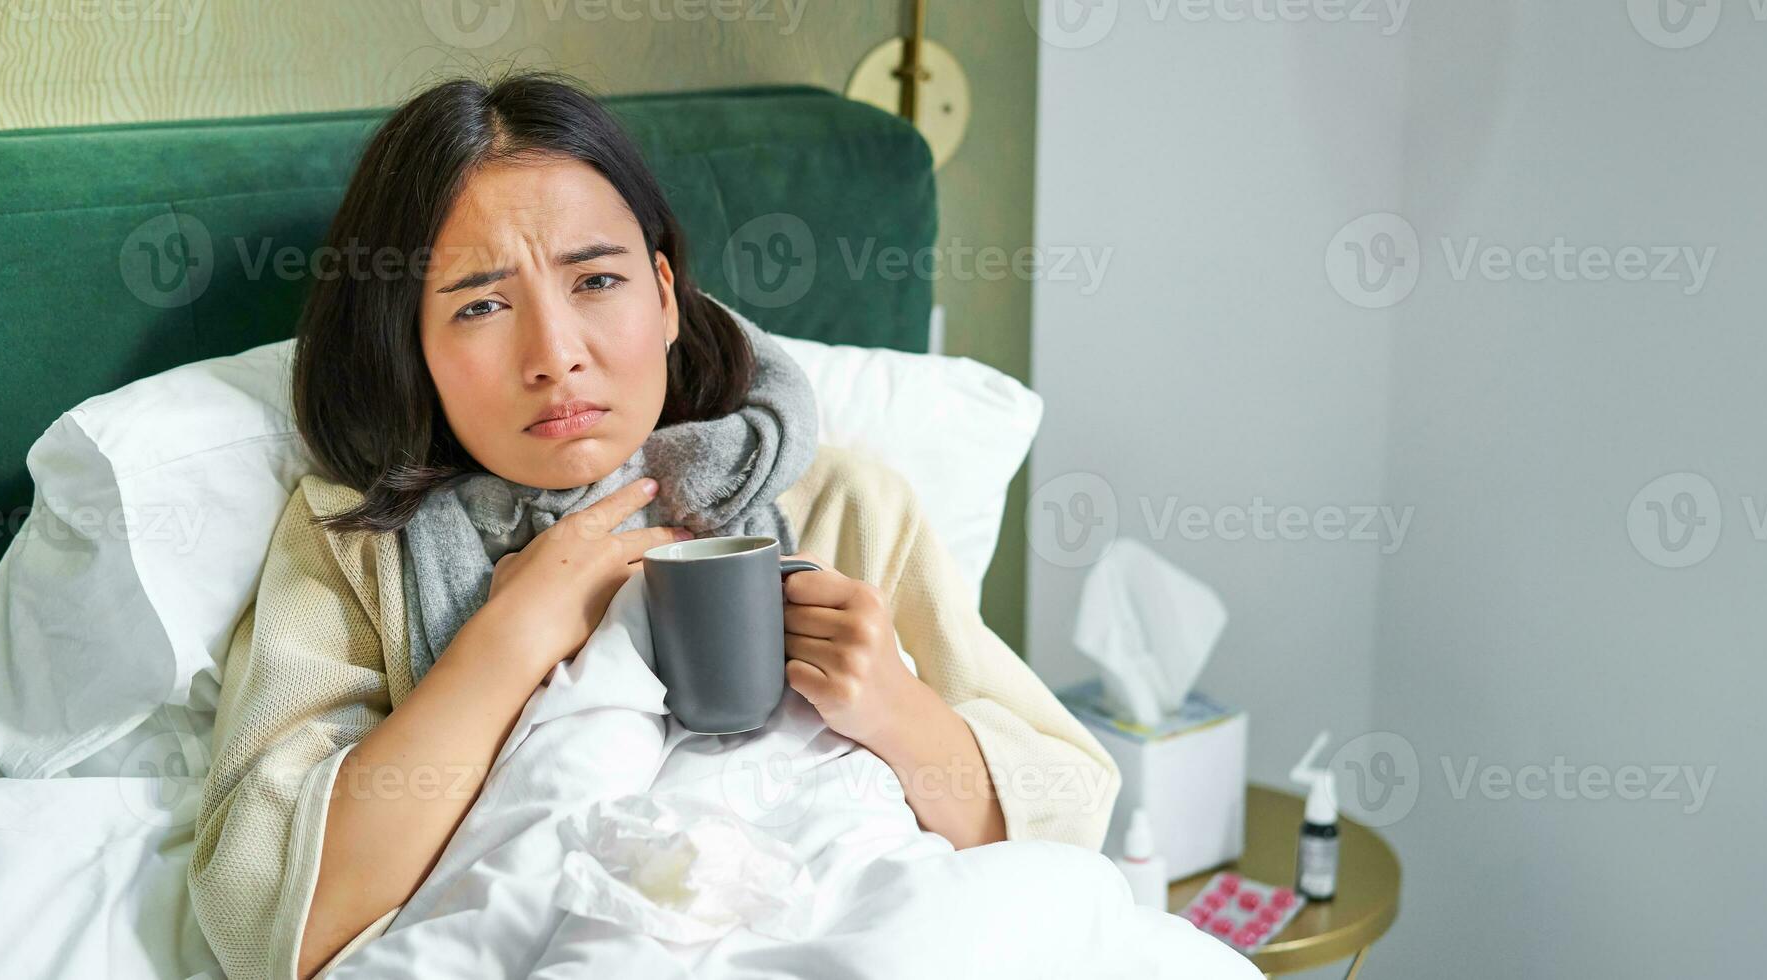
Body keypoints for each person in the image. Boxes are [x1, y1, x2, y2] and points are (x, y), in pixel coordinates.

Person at [190, 71, 1118, 980]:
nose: (556, 355)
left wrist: (898, 712)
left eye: (595, 281)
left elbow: (1067, 820)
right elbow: (268, 919)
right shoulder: (354, 546)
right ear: (410, 343)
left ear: (666, 296)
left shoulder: (837, 503)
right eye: (479, 305)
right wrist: (504, 643)